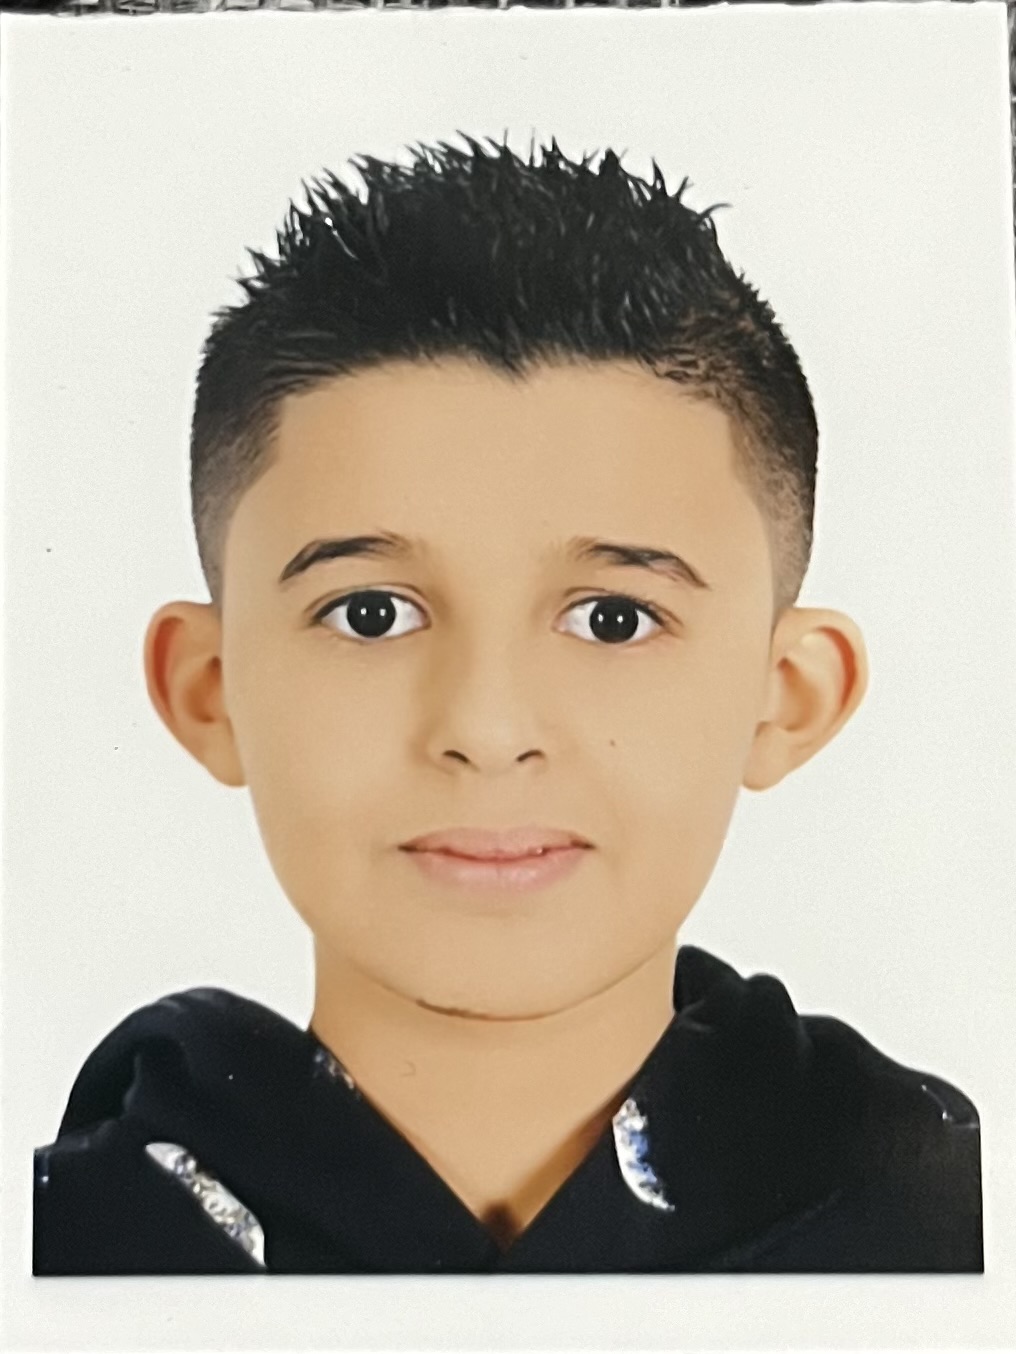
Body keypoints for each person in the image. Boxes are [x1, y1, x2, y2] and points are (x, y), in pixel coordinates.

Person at [33, 132, 982, 1275]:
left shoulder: (953, 1240)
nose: (485, 730)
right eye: (371, 613)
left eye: (612, 618)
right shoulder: (62, 1254)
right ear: (210, 689)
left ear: (786, 697)